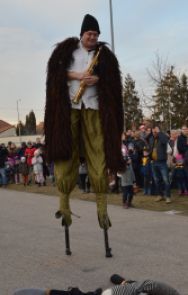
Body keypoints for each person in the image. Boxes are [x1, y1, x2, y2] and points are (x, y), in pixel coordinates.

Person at [44, 13, 126, 246]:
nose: (93, 37)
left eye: (96, 34)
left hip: (94, 109)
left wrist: (96, 80)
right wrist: (78, 75)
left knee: (98, 155)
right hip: (69, 109)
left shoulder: (105, 56)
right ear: (82, 34)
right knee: (65, 155)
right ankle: (64, 205)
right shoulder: (66, 52)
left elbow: (113, 82)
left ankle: (102, 210)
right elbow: (54, 75)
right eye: (90, 34)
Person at [149, 125, 171, 203]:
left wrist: (159, 133)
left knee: (166, 180)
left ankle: (168, 196)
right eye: (153, 132)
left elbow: (165, 141)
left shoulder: (162, 138)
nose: (154, 133)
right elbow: (150, 149)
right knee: (156, 180)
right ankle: (161, 195)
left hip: (162, 162)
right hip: (154, 162)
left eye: (155, 132)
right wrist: (150, 159)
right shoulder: (151, 139)